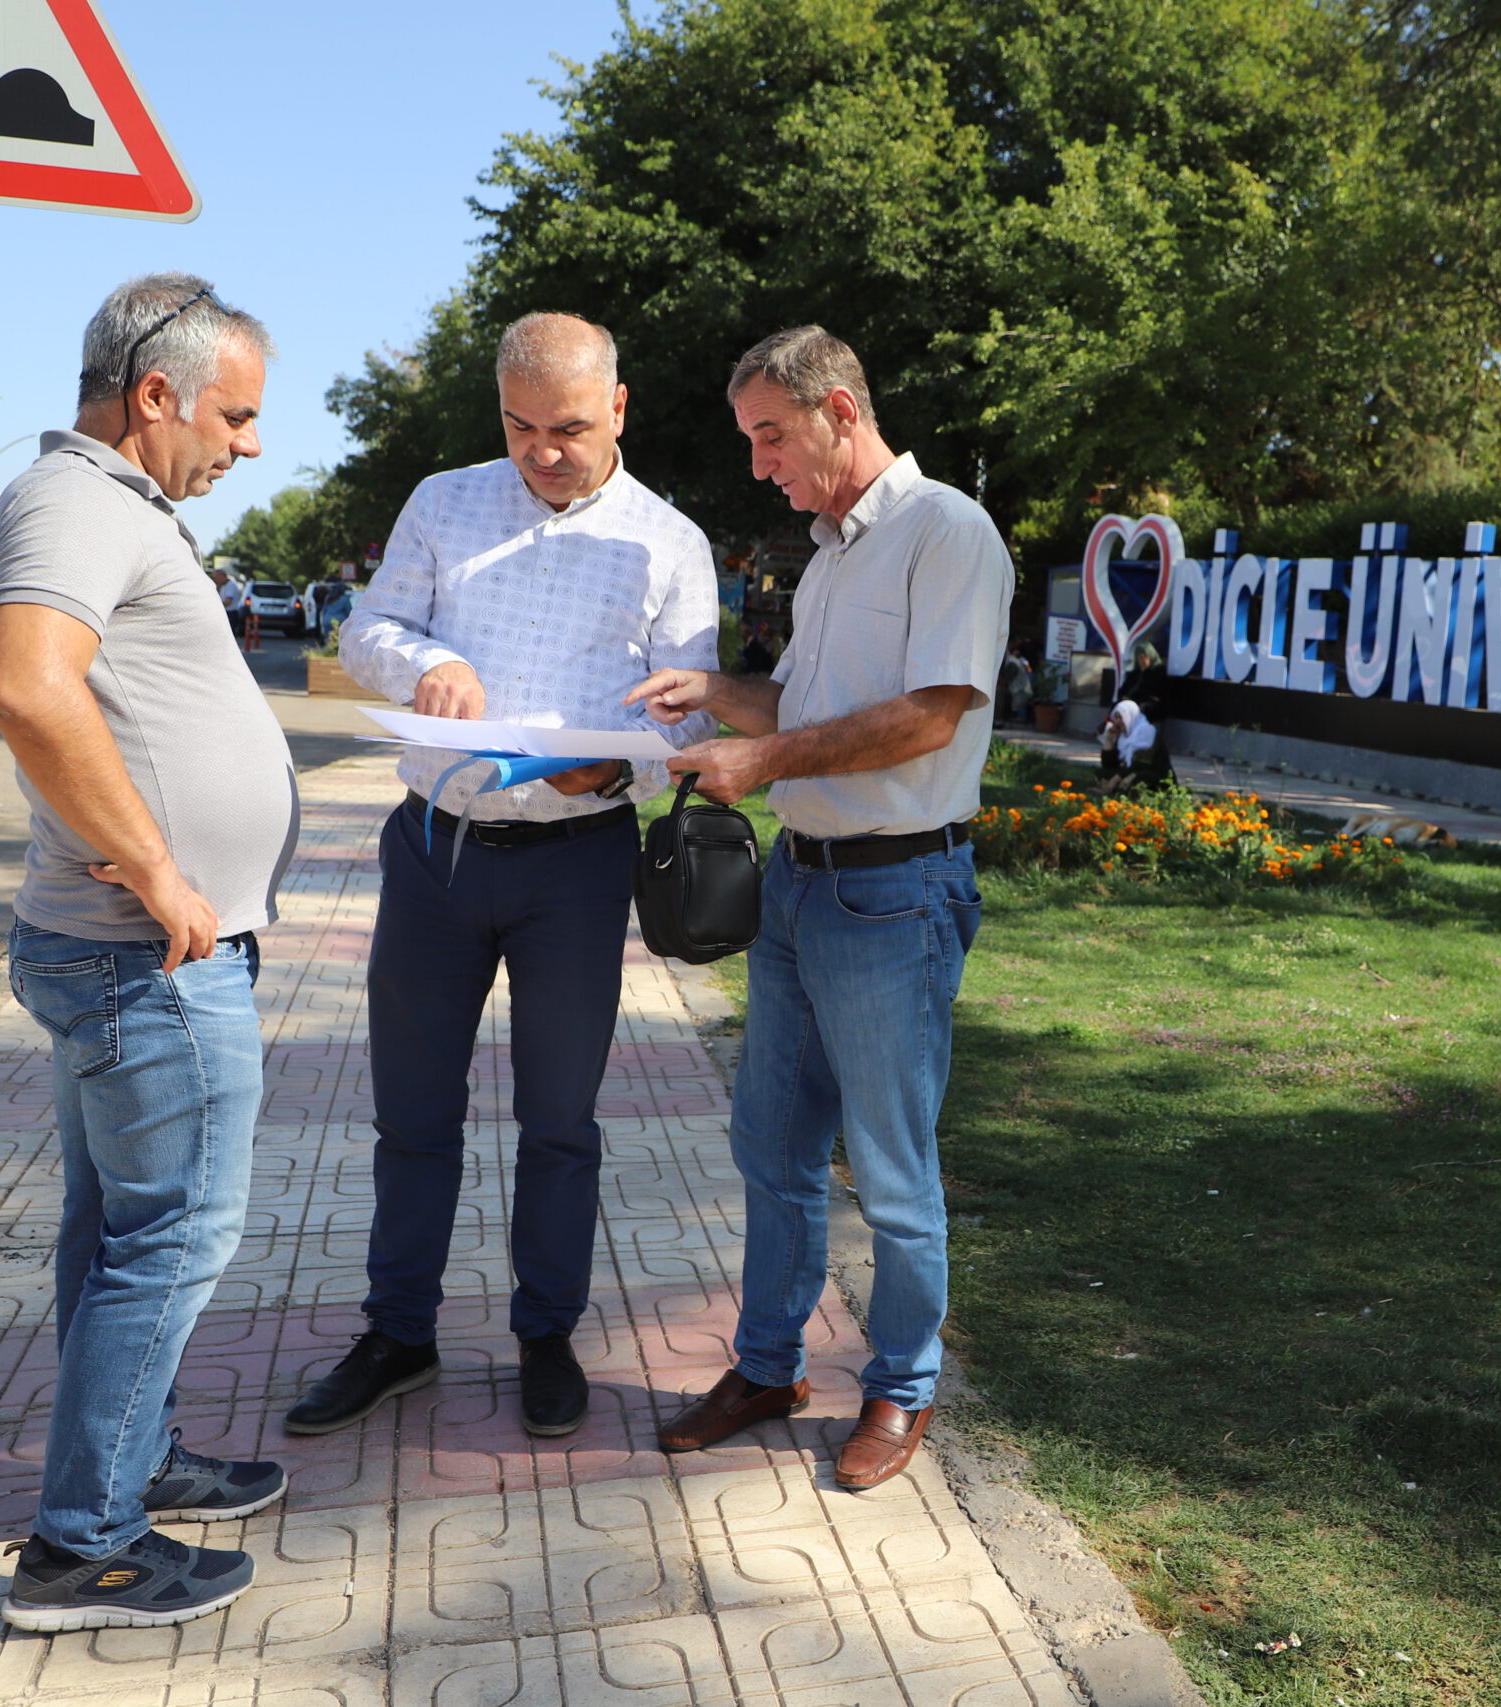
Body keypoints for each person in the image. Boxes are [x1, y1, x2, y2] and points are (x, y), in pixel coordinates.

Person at [289, 314, 718, 1440]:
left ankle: (546, 1334)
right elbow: (369, 623)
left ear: (617, 409)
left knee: (560, 1119)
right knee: (412, 1114)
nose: (543, 452)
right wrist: (428, 662)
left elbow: (698, 701)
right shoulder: (444, 501)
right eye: (521, 427)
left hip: (575, 862)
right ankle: (398, 1334)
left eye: (568, 428)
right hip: (436, 850)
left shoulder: (669, 543)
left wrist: (618, 767)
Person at [629, 325, 1010, 1492]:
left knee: (890, 1168)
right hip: (802, 885)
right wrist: (723, 697)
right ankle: (768, 1367)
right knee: (771, 1149)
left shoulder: (945, 531)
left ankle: (900, 1388)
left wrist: (770, 760)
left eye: (771, 437)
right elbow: (810, 701)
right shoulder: (834, 549)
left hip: (896, 894)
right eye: (751, 441)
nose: (758, 465)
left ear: (841, 411)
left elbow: (930, 716)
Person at [0, 274, 294, 1632]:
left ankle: (137, 1461)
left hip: (131, 953)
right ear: (154, 395)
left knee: (120, 1229)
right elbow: (27, 683)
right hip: (144, 958)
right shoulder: (72, 499)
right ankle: (85, 1544)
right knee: (170, 1238)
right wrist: (163, 866)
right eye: (236, 413)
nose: (252, 442)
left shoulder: (116, 505)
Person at [213, 566, 248, 637]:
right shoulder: (223, 586)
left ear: (222, 576)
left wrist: (213, 604)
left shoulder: (230, 585)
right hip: (226, 613)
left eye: (216, 577)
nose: (215, 580)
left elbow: (228, 602)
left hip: (230, 614)